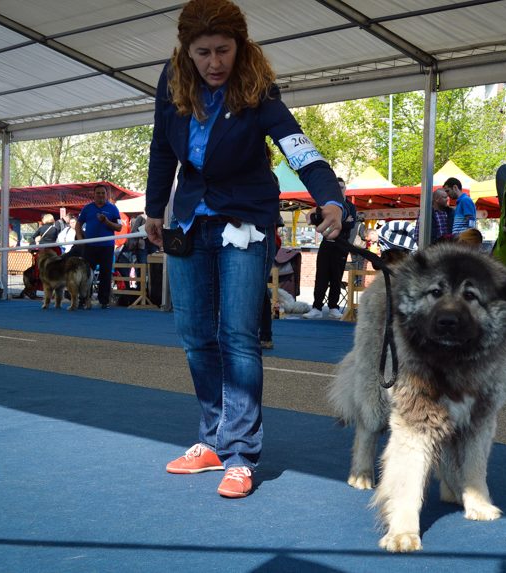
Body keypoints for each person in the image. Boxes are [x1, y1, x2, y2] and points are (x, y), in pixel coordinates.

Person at [143, 0, 345, 499]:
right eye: (203, 52)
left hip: (245, 221)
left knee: (237, 336)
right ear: (185, 52)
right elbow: (162, 148)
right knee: (195, 336)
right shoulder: (171, 81)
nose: (214, 63)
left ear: (240, 46)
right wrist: (153, 209)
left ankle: (239, 454)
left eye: (223, 50)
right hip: (189, 220)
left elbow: (298, 147)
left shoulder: (258, 88)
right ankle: (212, 439)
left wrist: (330, 198)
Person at [305, 178, 357, 320]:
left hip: (341, 246)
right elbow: (321, 222)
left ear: (345, 188)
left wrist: (339, 223)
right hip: (326, 244)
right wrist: (343, 221)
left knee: (336, 277)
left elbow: (351, 224)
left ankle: (333, 307)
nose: (339, 189)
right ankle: (316, 307)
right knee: (321, 276)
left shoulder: (350, 206)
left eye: (342, 187)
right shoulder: (327, 205)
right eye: (337, 187)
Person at [78, 185, 122, 309]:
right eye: (98, 193)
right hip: (90, 247)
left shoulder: (113, 209)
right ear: (94, 194)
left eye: (103, 193)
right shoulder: (87, 208)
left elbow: (119, 227)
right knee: (86, 274)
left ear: (106, 195)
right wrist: (80, 239)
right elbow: (78, 223)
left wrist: (106, 221)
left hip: (107, 247)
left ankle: (104, 301)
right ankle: (84, 299)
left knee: (106, 274)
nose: (100, 195)